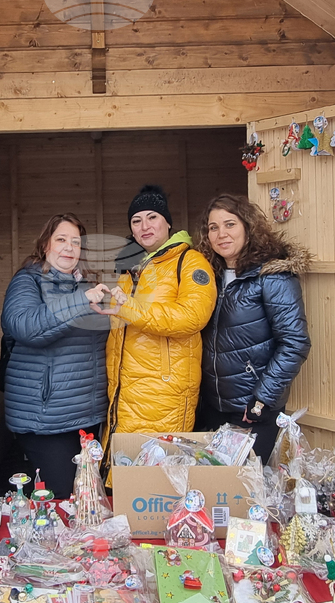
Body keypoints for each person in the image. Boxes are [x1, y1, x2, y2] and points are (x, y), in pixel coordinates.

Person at [1, 214, 111, 498]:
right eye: (61, 239)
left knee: (86, 498)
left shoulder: (87, 285)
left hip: (88, 415)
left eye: (76, 242)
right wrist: (81, 300)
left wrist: (120, 303)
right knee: (61, 496)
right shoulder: (28, 281)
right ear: (45, 245)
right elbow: (27, 327)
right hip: (47, 418)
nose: (69, 248)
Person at [195, 194, 311, 461]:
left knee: (246, 482)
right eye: (213, 227)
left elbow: (294, 343)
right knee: (211, 481)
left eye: (230, 224)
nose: (221, 234)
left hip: (252, 408)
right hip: (212, 406)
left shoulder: (272, 277)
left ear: (248, 227)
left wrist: (262, 399)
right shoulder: (208, 277)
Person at [100, 185, 217, 442]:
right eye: (136, 221)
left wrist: (130, 309)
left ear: (168, 222)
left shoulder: (190, 261)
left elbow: (192, 317)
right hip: (123, 387)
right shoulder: (131, 267)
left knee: (157, 462)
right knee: (123, 461)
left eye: (152, 217)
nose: (144, 226)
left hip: (163, 391)